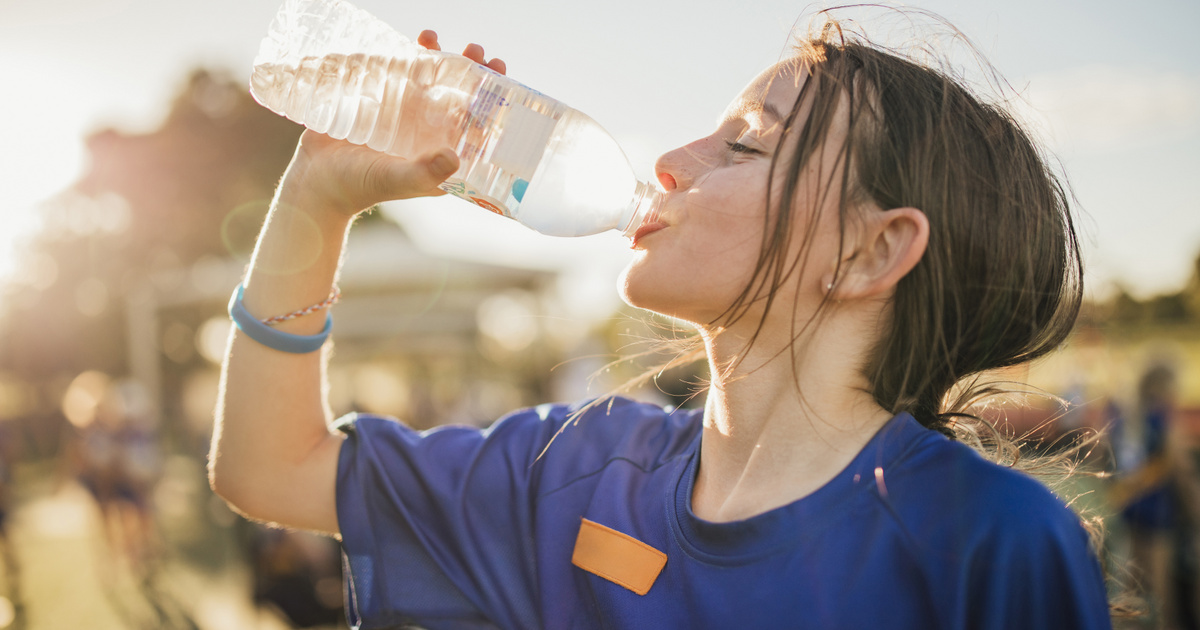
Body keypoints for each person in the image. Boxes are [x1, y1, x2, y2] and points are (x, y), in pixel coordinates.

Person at [209, 13, 1114, 630]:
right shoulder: (575, 473)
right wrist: (317, 199)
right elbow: (270, 468)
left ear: (868, 254)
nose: (673, 162)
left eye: (746, 142)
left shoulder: (988, 542)